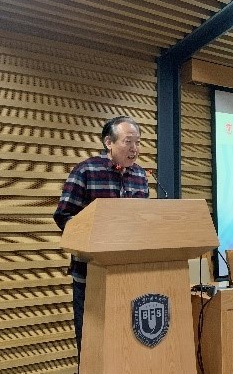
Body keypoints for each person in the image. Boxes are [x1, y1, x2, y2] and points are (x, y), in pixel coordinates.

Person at [53, 116, 149, 363]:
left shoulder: (140, 175)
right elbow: (64, 216)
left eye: (138, 142)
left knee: (126, 349)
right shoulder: (86, 171)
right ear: (109, 142)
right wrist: (94, 238)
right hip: (91, 275)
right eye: (128, 141)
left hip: (130, 275)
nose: (134, 148)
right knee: (92, 348)